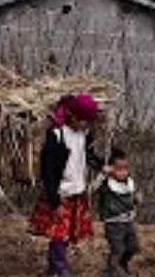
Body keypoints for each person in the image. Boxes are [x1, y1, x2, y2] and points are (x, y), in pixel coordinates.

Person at [30, 93, 104, 277]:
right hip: (60, 194)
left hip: (76, 193)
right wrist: (53, 198)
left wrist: (104, 166)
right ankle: (61, 268)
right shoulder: (57, 135)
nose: (88, 125)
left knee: (67, 234)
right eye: (85, 121)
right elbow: (47, 171)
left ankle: (52, 270)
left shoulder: (84, 134)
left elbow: (88, 157)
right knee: (59, 235)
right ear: (73, 117)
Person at [92, 147, 140, 277]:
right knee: (117, 249)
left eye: (126, 168)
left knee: (133, 247)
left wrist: (136, 199)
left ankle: (123, 263)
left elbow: (131, 197)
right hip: (113, 224)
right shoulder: (107, 184)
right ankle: (111, 271)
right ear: (111, 169)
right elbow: (93, 189)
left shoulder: (129, 182)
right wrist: (102, 174)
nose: (123, 172)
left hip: (128, 222)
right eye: (119, 169)